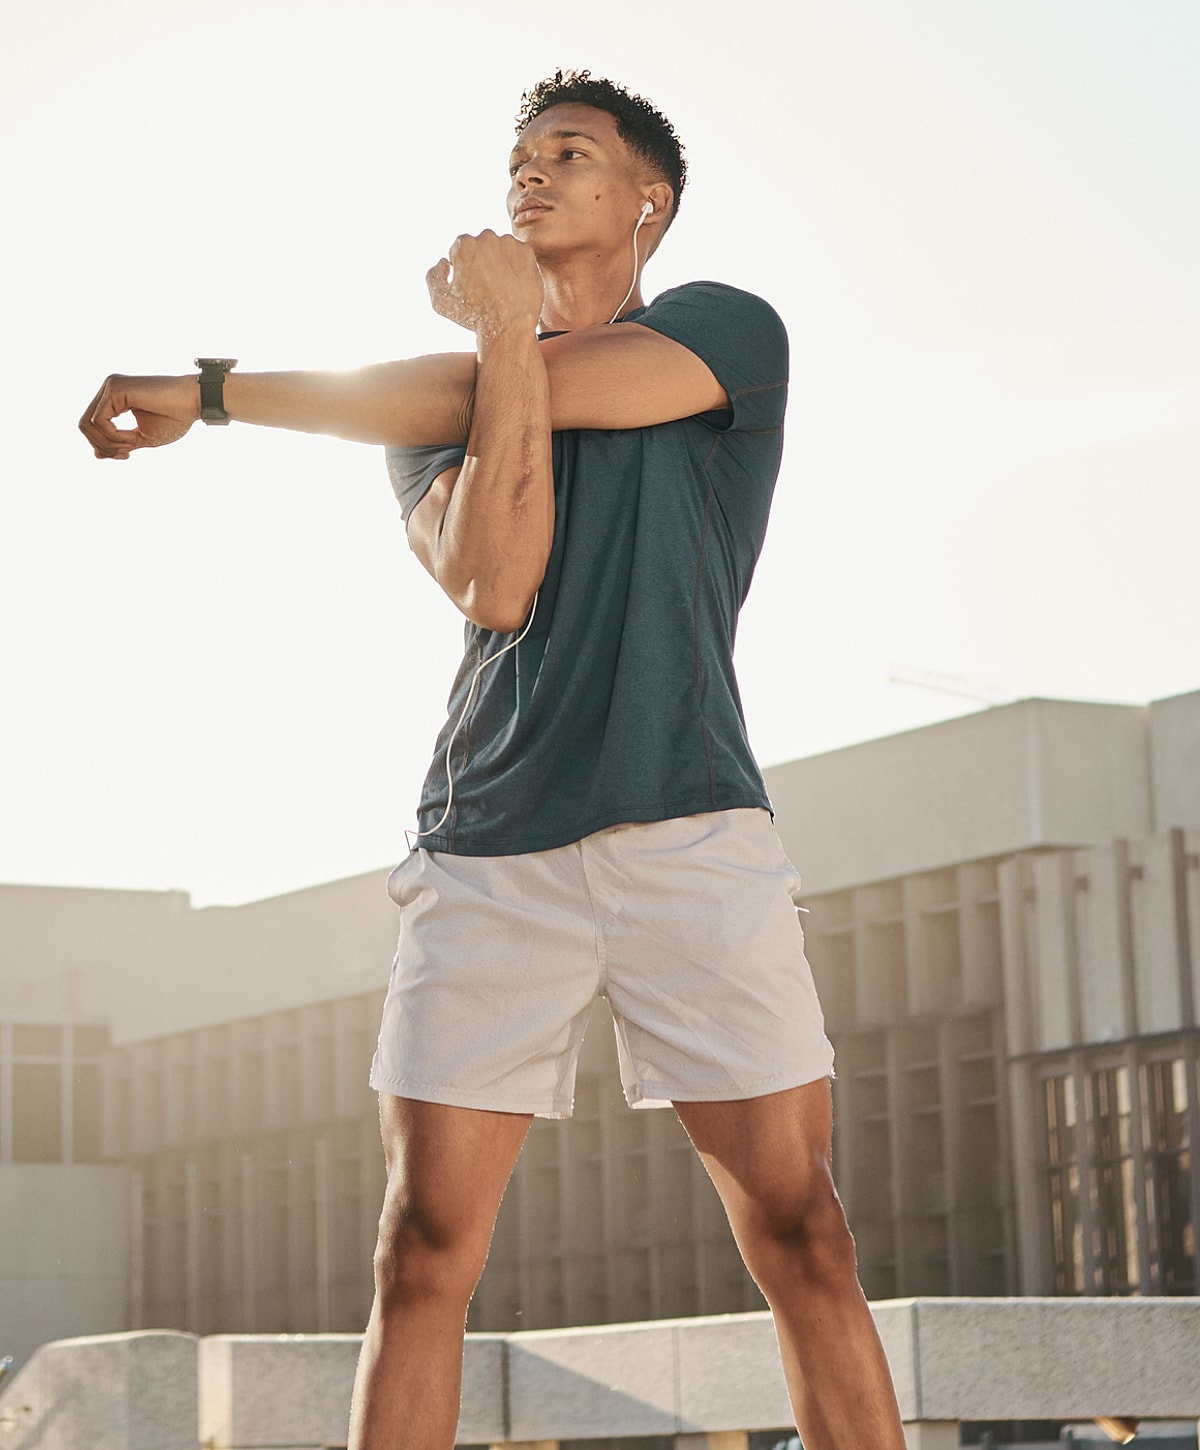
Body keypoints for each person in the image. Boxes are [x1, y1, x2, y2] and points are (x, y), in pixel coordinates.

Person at [80, 69, 905, 1450]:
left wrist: (218, 391)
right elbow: (498, 580)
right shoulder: (431, 415)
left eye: (570, 154)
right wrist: (500, 339)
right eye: (519, 156)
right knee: (421, 1251)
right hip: (486, 856)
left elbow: (541, 385)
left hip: (690, 833)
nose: (530, 173)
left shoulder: (724, 332)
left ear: (648, 201)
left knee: (802, 1228)